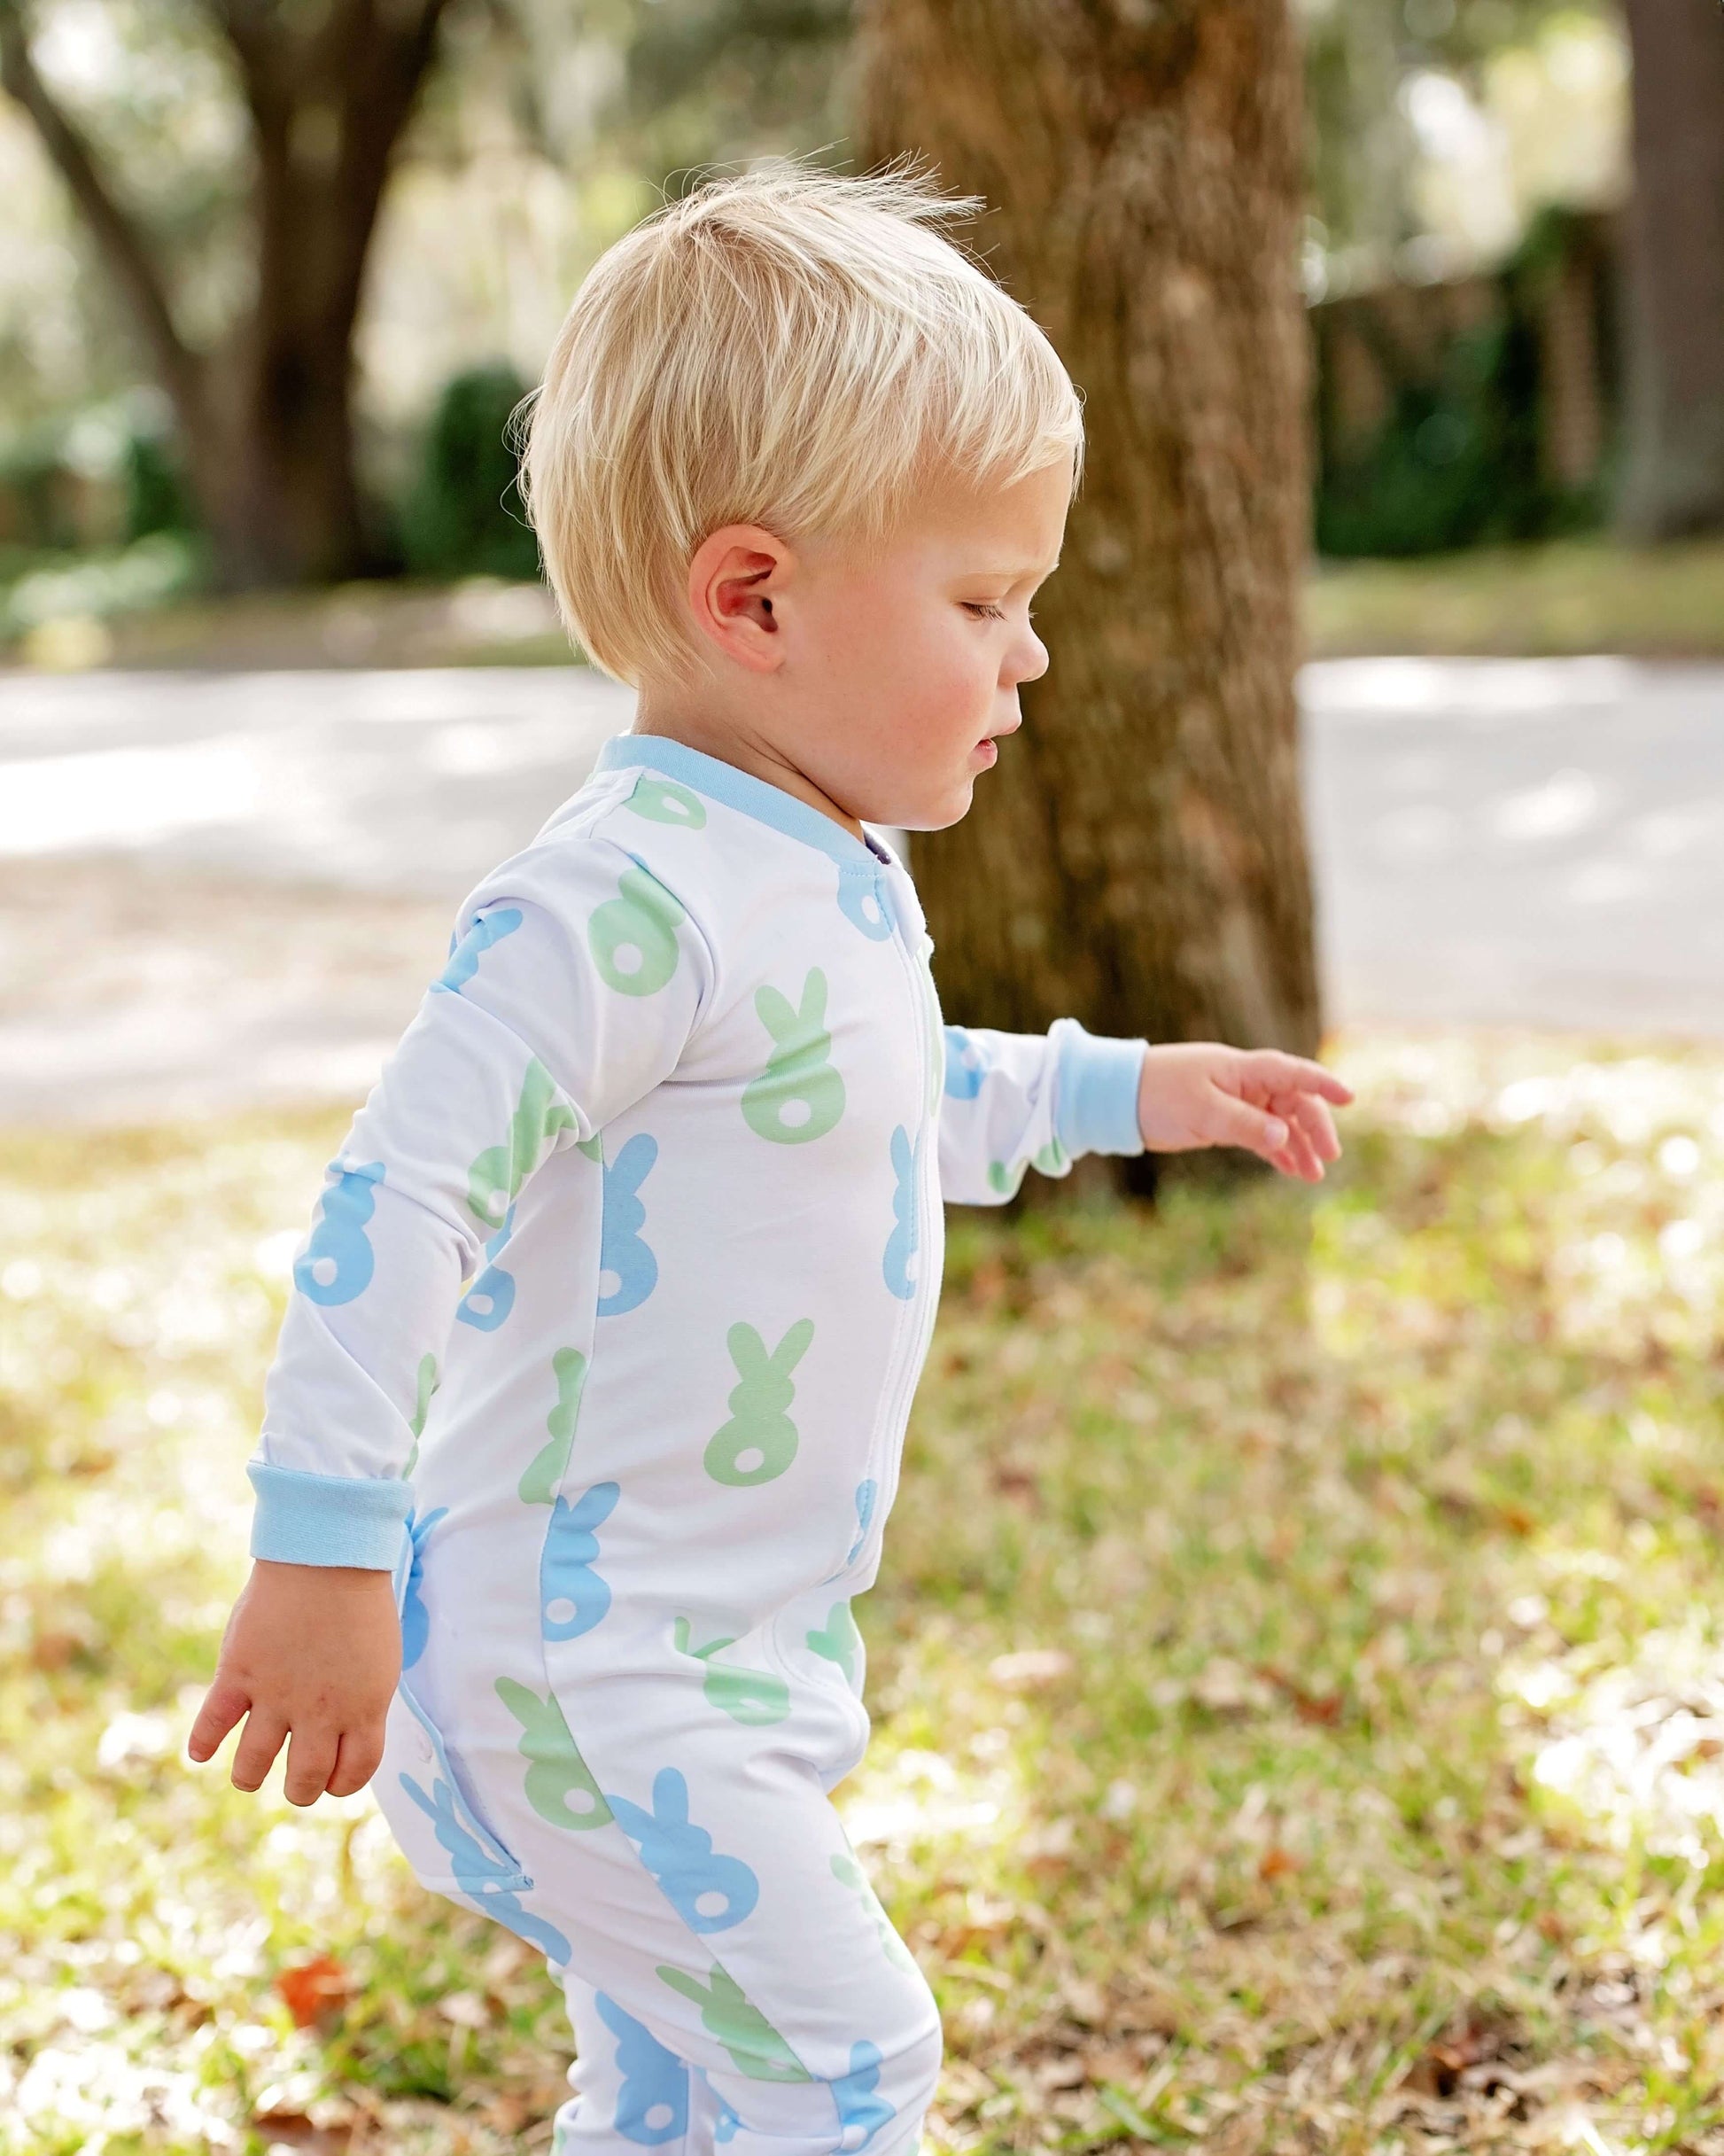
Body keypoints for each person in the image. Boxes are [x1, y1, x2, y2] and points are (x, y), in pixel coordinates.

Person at [188, 160, 1352, 2156]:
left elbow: (878, 1089)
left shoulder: (813, 870)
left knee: (684, 2084)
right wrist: (322, 1545)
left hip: (712, 1654)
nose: (1030, 656)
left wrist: (1126, 1090)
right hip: (578, 1659)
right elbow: (399, 1200)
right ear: (756, 599)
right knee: (839, 2057)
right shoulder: (611, 901)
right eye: (984, 600)